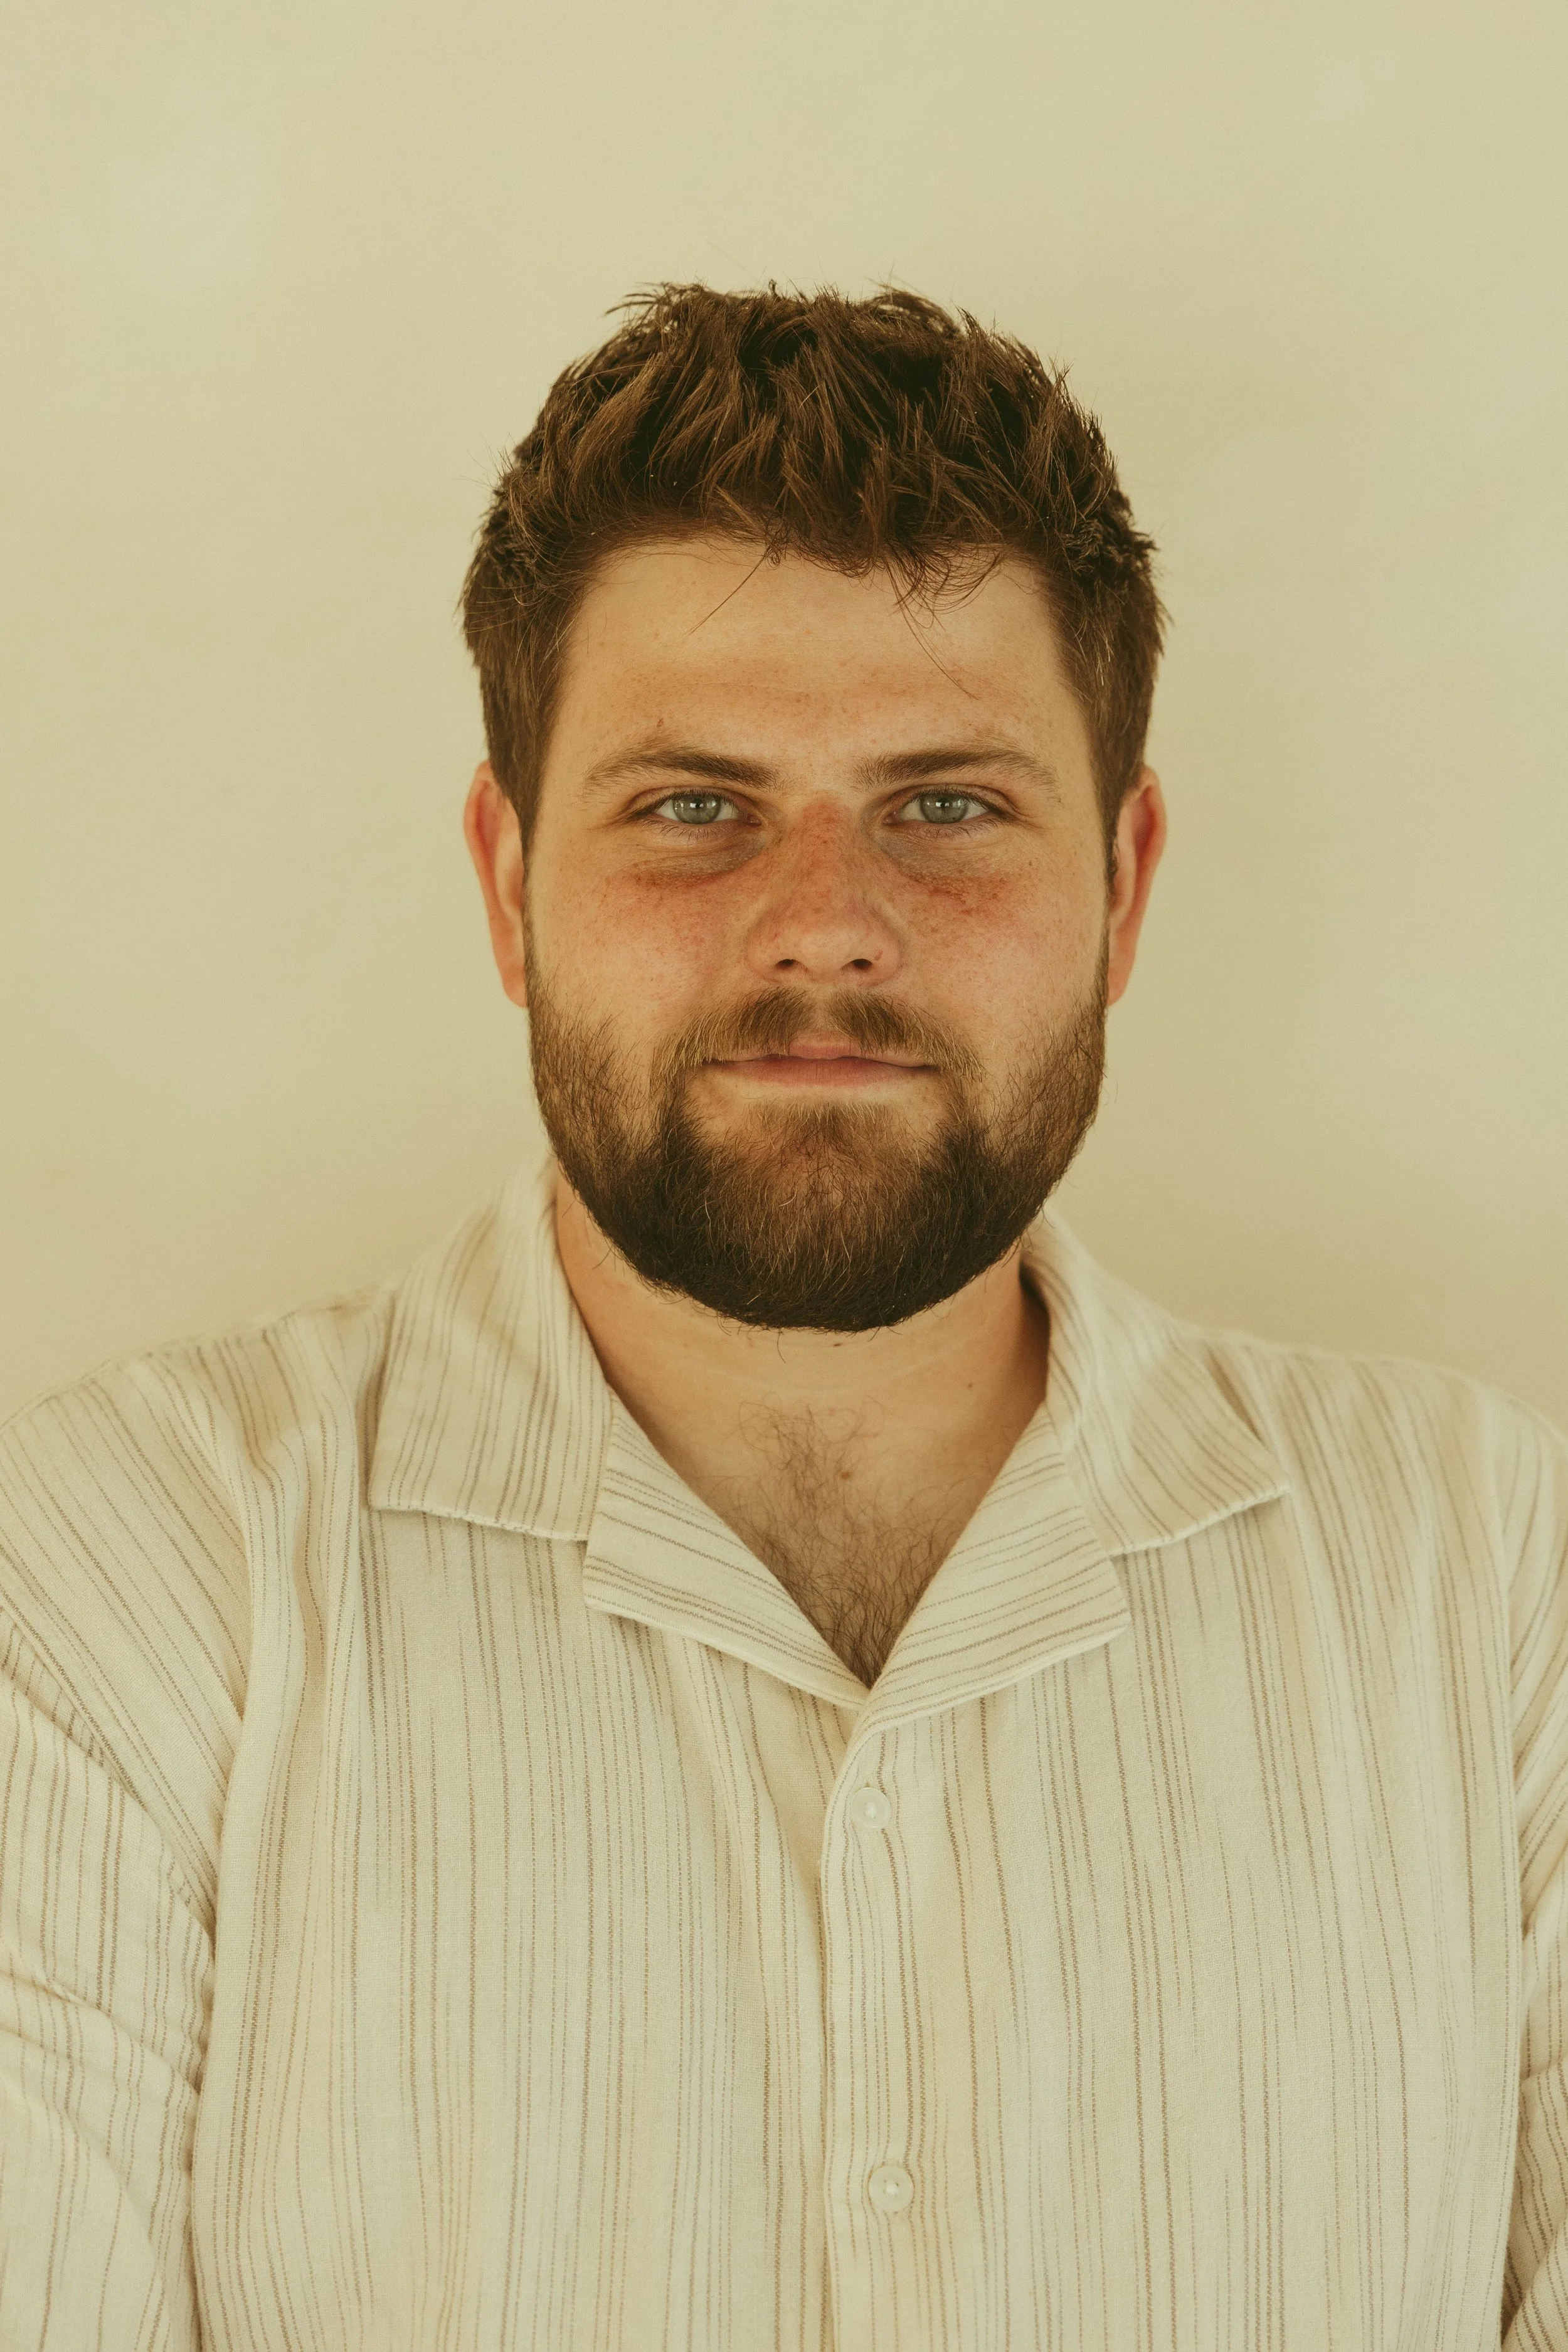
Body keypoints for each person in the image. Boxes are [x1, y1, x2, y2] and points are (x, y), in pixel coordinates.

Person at [1, 283, 1564, 2351]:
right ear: (504, 880)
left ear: (1127, 878)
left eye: (945, 803)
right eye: (689, 804)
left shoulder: (1485, 1577)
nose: (822, 916)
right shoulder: (123, 1577)